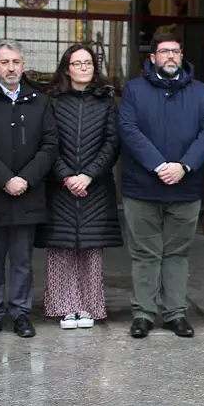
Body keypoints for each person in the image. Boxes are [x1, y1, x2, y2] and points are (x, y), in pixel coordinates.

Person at [119, 34, 204, 339]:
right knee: (145, 253)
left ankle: (175, 313)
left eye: (176, 51)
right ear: (152, 57)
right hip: (143, 186)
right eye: (164, 51)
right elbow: (128, 129)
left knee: (177, 253)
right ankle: (144, 314)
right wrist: (159, 166)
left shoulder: (201, 92)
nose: (171, 56)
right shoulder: (134, 90)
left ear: (182, 55)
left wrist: (183, 166)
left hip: (185, 186)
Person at [0, 41, 58, 339]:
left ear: (23, 65)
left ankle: (20, 313)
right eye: (4, 62)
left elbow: (50, 146)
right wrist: (6, 179)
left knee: (21, 262)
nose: (11, 68)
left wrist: (25, 179)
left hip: (27, 194)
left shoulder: (40, 101)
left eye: (16, 62)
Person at [37, 45, 121, 330]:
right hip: (61, 186)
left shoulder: (106, 101)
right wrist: (65, 175)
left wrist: (88, 175)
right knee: (61, 248)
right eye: (78, 63)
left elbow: (112, 143)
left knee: (90, 250)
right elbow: (48, 141)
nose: (84, 67)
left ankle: (88, 307)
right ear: (67, 68)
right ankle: (64, 307)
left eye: (88, 63)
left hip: (95, 188)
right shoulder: (53, 101)